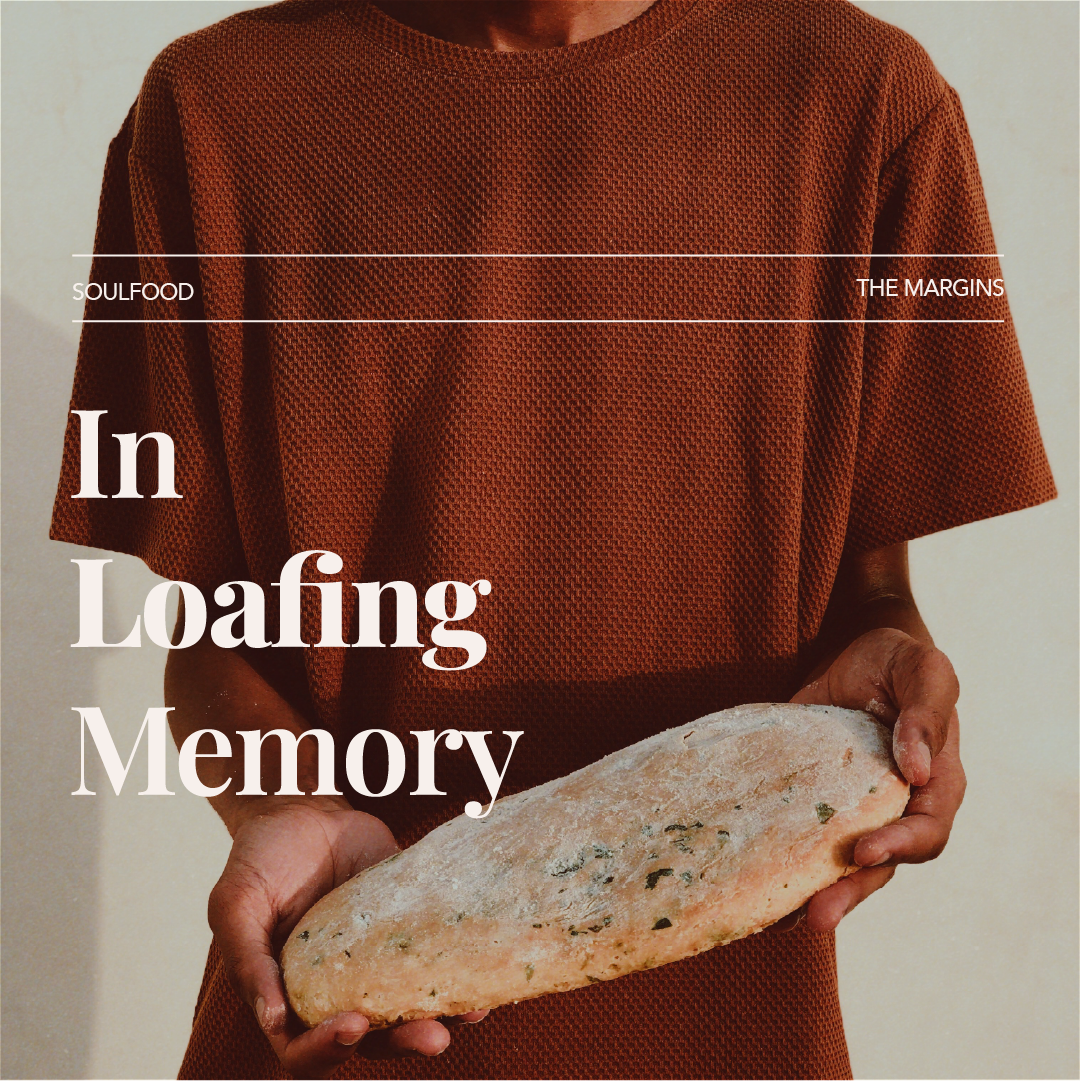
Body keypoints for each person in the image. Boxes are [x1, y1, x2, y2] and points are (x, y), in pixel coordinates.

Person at [50, 1, 1055, 1078]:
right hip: (352, 1034)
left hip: (731, 1036)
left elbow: (870, 597)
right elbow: (212, 625)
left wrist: (897, 693)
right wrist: (287, 802)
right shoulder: (214, 111)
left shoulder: (860, 101)